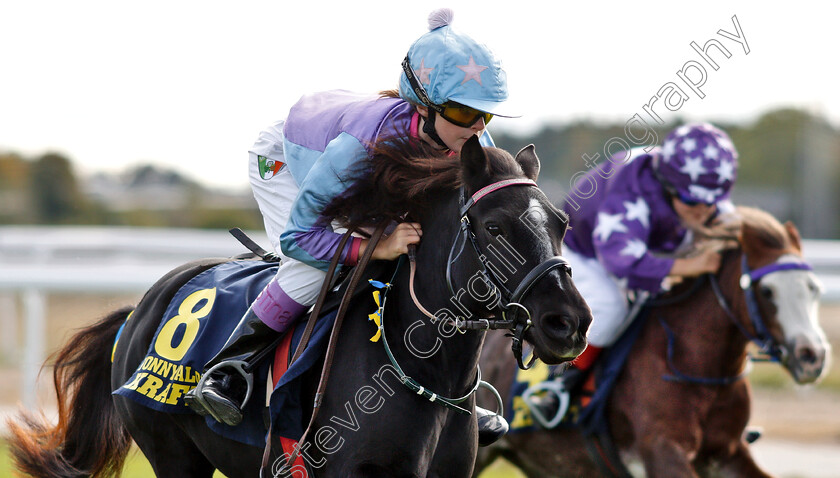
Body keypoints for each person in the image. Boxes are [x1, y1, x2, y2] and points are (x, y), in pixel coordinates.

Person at [185, 8, 515, 439]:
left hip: (364, 166)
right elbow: (299, 238)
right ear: (424, 104)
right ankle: (229, 369)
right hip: (287, 159)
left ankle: (458, 395)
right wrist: (374, 248)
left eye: (484, 115)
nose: (474, 127)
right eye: (459, 111)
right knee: (312, 267)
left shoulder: (466, 136)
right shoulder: (359, 149)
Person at [529, 122, 739, 421]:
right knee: (612, 307)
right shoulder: (631, 186)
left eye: (713, 200)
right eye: (693, 200)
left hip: (643, 246)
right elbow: (622, 264)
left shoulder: (695, 183)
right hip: (585, 249)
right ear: (667, 186)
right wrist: (690, 264)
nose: (704, 211)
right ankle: (557, 385)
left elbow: (728, 226)